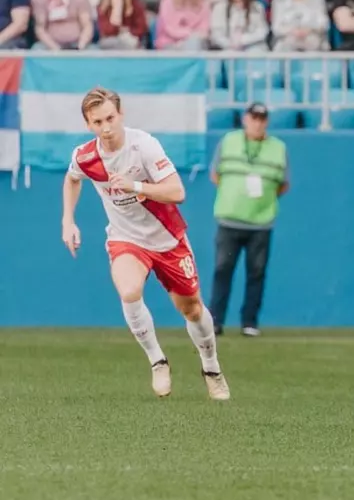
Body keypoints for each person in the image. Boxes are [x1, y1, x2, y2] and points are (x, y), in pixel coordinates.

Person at [60, 87, 231, 401]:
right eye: (97, 122)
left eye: (110, 118)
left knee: (192, 309)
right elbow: (72, 179)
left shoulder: (143, 146)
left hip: (167, 239)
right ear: (88, 124)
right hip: (126, 238)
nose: (106, 127)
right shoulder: (85, 156)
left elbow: (177, 192)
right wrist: (68, 221)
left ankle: (211, 368)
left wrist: (137, 186)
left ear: (121, 114)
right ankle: (157, 361)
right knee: (129, 291)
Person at [209, 103, 289, 337]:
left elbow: (283, 184)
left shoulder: (278, 148)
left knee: (257, 272)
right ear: (245, 119)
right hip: (229, 219)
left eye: (262, 119)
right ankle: (215, 321)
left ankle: (249, 322)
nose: (257, 123)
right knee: (222, 269)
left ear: (267, 122)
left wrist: (263, 200)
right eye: (254, 118)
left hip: (261, 221)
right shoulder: (229, 141)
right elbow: (215, 175)